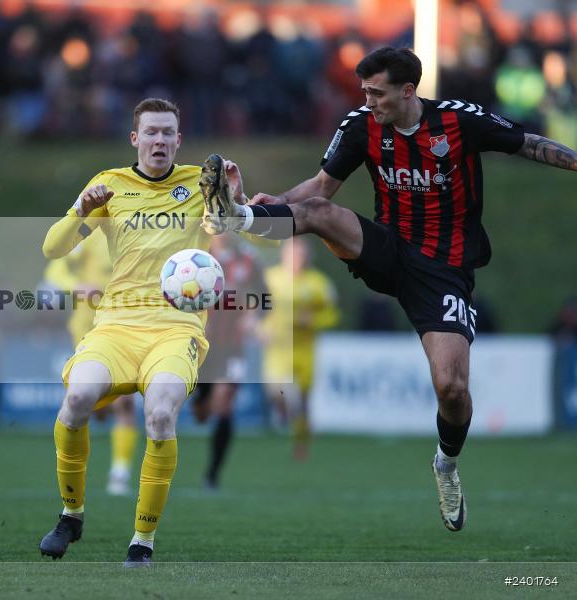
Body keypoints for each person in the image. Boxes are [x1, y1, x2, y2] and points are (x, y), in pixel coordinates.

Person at [203, 47, 577, 532]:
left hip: (444, 269)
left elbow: (527, 143)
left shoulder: (458, 121)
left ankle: (446, 463)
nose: (368, 100)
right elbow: (320, 187)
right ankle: (236, 215)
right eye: (365, 91)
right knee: (318, 214)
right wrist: (274, 204)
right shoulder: (361, 125)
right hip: (387, 247)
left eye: (376, 93)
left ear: (407, 90)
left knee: (452, 387)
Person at [39, 98, 213, 567]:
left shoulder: (201, 183)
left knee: (160, 415)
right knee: (77, 399)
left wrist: (233, 201)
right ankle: (71, 515)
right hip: (116, 325)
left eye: (168, 132)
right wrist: (80, 210)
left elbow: (245, 230)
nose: (160, 140)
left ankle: (142, 541)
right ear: (135, 138)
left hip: (176, 329)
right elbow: (53, 249)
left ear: (179, 140)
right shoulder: (108, 185)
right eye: (151, 132)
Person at [42, 230, 140, 497]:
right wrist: (77, 287)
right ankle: (74, 473)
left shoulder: (141, 231)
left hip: (126, 328)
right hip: (88, 330)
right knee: (92, 405)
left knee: (125, 403)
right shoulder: (89, 233)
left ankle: (119, 474)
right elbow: (55, 270)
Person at [191, 233, 265, 489]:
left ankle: (212, 474)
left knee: (224, 403)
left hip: (233, 346)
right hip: (202, 344)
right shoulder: (196, 256)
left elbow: (264, 296)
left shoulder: (248, 259)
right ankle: (201, 400)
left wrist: (253, 317)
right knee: (202, 412)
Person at [259, 238, 338, 461]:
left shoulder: (318, 283)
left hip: (304, 350)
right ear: (284, 256)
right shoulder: (270, 279)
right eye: (292, 255)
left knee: (302, 402)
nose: (296, 260)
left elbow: (332, 315)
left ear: (307, 258)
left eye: (300, 256)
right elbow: (256, 308)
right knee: (275, 393)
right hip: (278, 349)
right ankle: (285, 413)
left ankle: (301, 445)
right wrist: (260, 328)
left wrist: (313, 320)